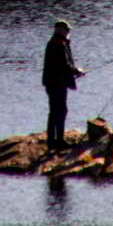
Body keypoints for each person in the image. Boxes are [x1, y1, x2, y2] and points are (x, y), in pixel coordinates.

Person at [42, 18, 84, 153]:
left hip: (54, 82)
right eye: (67, 30)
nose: (68, 32)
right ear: (60, 30)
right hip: (56, 83)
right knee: (59, 111)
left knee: (56, 111)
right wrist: (76, 71)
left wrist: (73, 72)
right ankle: (57, 141)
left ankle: (53, 141)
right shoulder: (58, 43)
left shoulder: (56, 42)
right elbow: (64, 64)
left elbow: (62, 65)